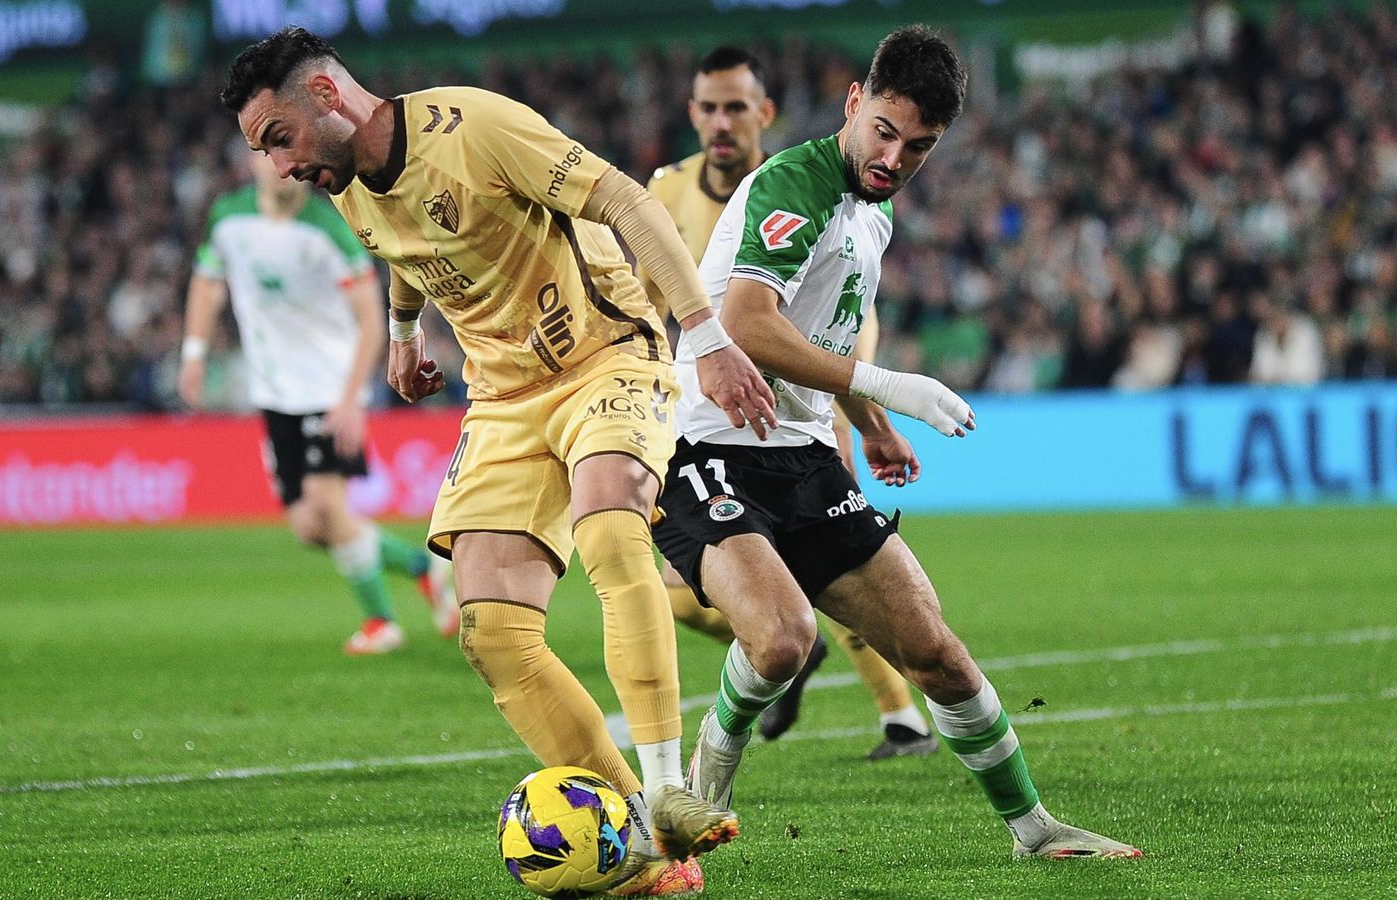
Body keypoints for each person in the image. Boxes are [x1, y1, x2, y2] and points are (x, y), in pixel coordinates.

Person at [220, 27, 778, 894]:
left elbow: (628, 203)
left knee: (606, 521)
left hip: (604, 356)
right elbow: (405, 249)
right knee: (492, 635)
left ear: (327, 99)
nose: (280, 165)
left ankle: (672, 790)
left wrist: (703, 337)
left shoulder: (474, 127)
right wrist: (404, 335)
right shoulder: (345, 185)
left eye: (277, 138)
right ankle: (641, 853)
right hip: (505, 397)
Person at [654, 26, 1142, 860]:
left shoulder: (872, 210)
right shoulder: (796, 183)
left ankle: (1034, 830)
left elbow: (826, 334)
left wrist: (870, 424)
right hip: (705, 445)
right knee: (779, 639)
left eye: (918, 146)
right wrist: (892, 389)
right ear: (854, 102)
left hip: (802, 452)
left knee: (938, 655)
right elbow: (745, 325)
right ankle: (710, 768)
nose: (893, 157)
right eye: (883, 130)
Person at [642, 45, 936, 759]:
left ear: (763, 114)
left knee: (834, 557)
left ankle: (899, 714)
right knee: (692, 592)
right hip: (698, 408)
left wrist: (862, 414)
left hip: (813, 400)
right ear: (692, 113)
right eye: (708, 107)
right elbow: (647, 297)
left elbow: (843, 318)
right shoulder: (665, 191)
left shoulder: (820, 186)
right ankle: (786, 655)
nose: (721, 122)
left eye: (736, 107)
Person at [179, 148, 455, 655]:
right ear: (251, 160)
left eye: (290, 156)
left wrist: (351, 401)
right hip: (273, 395)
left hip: (329, 391)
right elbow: (206, 282)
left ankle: (381, 622)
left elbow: (372, 320)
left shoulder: (329, 231)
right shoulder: (228, 218)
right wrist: (193, 353)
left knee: (329, 508)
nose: (280, 166)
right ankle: (425, 568)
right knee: (309, 527)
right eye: (268, 154)